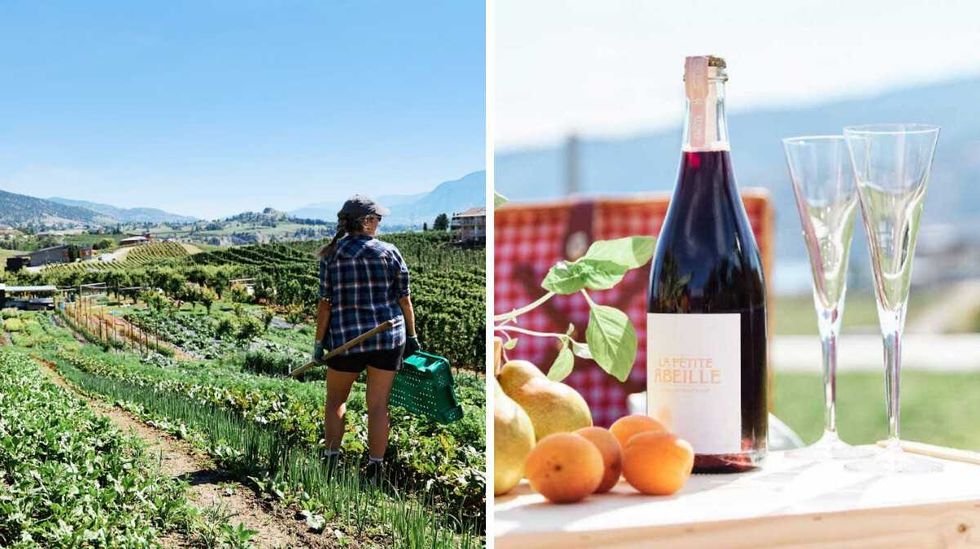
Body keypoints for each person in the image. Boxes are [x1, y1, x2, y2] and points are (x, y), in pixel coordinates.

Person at [314, 195, 421, 482]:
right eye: (377, 219)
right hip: (387, 339)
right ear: (366, 222)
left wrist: (318, 342)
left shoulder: (331, 255)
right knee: (377, 405)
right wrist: (411, 335)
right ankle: (374, 469)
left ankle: (331, 464)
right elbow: (404, 300)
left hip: (345, 339)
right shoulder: (389, 253)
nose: (379, 224)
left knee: (336, 400)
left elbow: (325, 304)